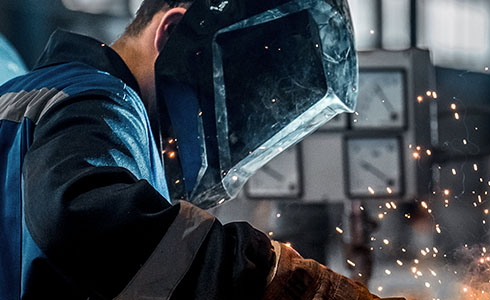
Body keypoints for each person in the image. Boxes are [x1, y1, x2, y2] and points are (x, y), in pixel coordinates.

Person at [0, 0, 389, 299]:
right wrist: (274, 277)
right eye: (233, 110)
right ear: (171, 33)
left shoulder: (45, 95)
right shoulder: (103, 100)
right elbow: (82, 221)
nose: (230, 138)